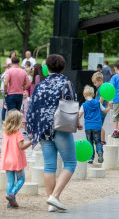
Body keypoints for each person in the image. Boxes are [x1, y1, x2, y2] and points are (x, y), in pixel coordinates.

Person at [26, 54, 77, 212]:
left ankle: (51, 204)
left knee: (49, 166)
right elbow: (71, 105)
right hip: (60, 127)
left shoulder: (40, 85)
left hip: (42, 129)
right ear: (62, 67)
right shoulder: (66, 83)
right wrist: (77, 122)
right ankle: (54, 196)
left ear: (47, 67)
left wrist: (31, 130)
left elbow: (31, 108)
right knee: (70, 163)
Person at [0, 110, 32, 208]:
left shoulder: (5, 132)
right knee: (21, 179)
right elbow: (21, 146)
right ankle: (12, 194)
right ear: (17, 121)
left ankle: (10, 203)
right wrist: (31, 141)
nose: (23, 121)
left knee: (10, 181)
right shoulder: (18, 133)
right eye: (21, 119)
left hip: (7, 160)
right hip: (16, 160)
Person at [79, 85, 109, 164]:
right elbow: (104, 111)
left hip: (88, 127)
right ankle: (100, 154)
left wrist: (76, 123)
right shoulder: (98, 103)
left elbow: (78, 115)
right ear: (93, 95)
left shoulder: (84, 105)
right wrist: (109, 107)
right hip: (97, 126)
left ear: (84, 95)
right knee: (98, 141)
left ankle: (91, 158)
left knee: (90, 142)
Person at [92, 71, 108, 144]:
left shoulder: (103, 88)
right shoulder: (100, 88)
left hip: (100, 110)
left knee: (98, 125)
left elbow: (101, 100)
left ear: (100, 80)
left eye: (95, 82)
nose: (94, 84)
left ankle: (102, 140)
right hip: (100, 109)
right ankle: (99, 139)